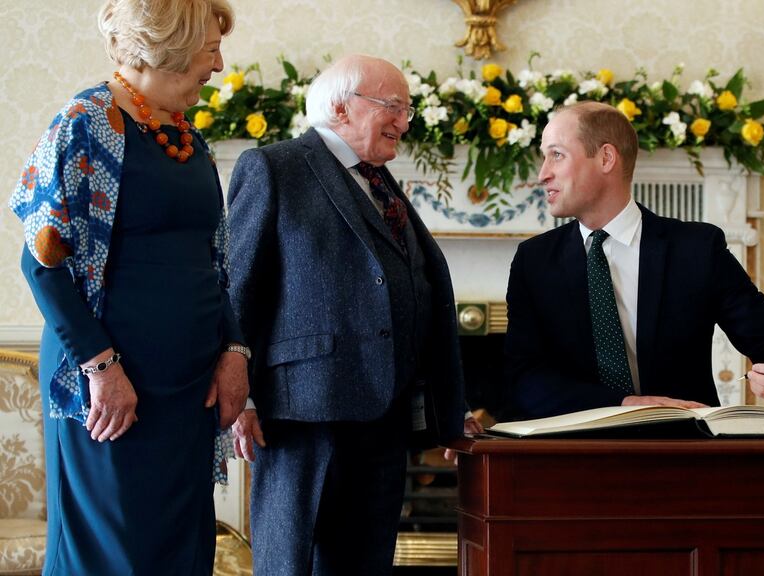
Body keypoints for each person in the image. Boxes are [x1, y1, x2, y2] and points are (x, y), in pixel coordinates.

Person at [8, 0, 247, 574]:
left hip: (187, 392)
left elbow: (218, 263)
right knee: (117, 555)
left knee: (182, 552)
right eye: (211, 49)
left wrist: (234, 351)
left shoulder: (185, 135)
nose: (218, 65)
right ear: (173, 47)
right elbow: (42, 262)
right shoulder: (86, 124)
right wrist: (101, 367)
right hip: (113, 390)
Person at [227, 54, 477, 576]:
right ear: (341, 107)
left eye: (407, 109)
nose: (404, 122)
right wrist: (241, 396)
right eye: (392, 106)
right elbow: (237, 287)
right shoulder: (274, 167)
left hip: (383, 421)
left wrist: (443, 406)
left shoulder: (380, 181)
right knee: (292, 566)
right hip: (303, 417)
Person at [504, 101, 764, 421]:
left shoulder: (697, 249)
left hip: (681, 454)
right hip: (567, 456)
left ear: (606, 158)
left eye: (556, 154)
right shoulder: (534, 261)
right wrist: (625, 405)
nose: (543, 174)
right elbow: (522, 379)